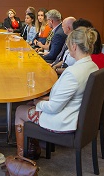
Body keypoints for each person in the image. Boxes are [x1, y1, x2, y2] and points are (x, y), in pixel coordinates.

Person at [14, 26, 99, 157]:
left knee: (20, 110)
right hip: (76, 114)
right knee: (33, 104)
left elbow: (53, 108)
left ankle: (21, 157)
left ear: (74, 46)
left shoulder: (72, 73)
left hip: (63, 120)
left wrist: (38, 103)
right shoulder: (93, 66)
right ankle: (33, 147)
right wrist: (43, 100)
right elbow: (73, 96)